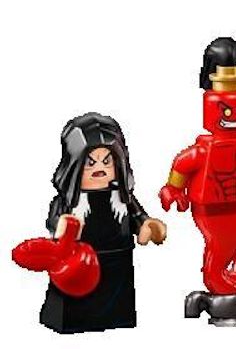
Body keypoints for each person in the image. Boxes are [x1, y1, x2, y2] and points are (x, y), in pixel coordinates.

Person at [12, 112, 167, 333]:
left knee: (117, 310)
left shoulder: (122, 199)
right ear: (74, 166)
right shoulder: (70, 201)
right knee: (75, 309)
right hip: (79, 266)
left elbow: (137, 217)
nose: (99, 169)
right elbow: (55, 220)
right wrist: (61, 226)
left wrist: (147, 225)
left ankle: (117, 320)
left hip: (117, 264)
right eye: (90, 163)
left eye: (107, 161)